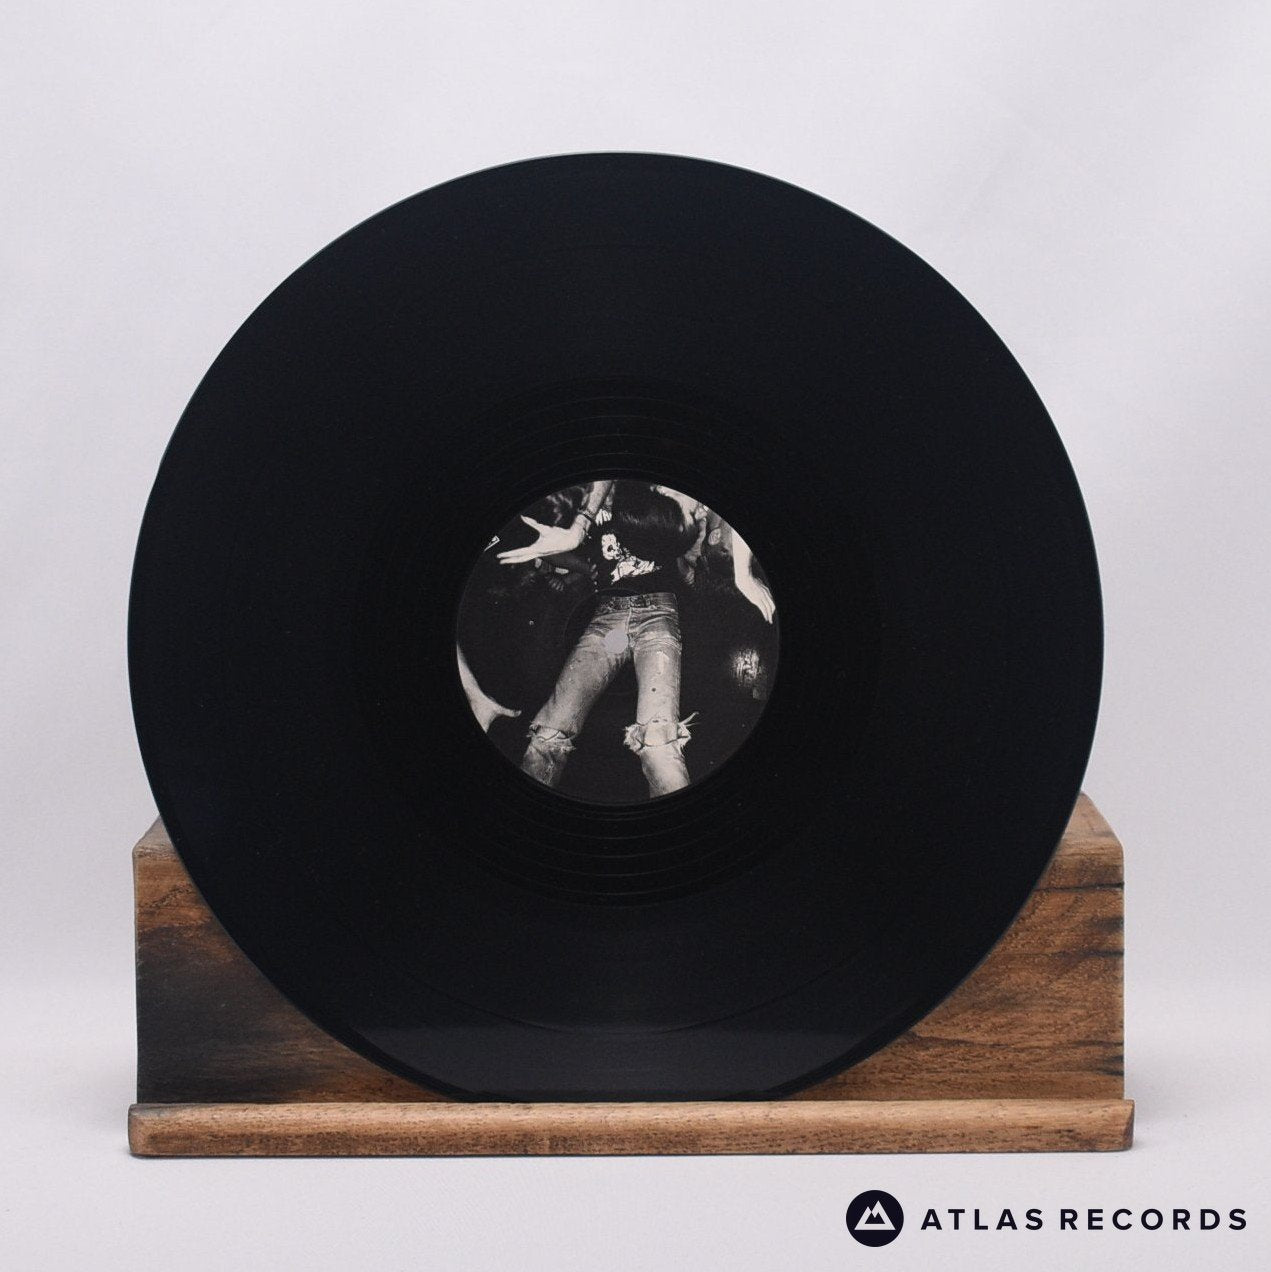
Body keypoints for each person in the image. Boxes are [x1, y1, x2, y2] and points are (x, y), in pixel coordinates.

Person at [496, 479, 774, 798]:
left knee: (659, 741)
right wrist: (580, 558)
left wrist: (739, 572)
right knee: (547, 735)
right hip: (609, 620)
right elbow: (561, 550)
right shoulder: (595, 502)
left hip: (656, 612)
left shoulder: (656, 510)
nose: (697, 512)